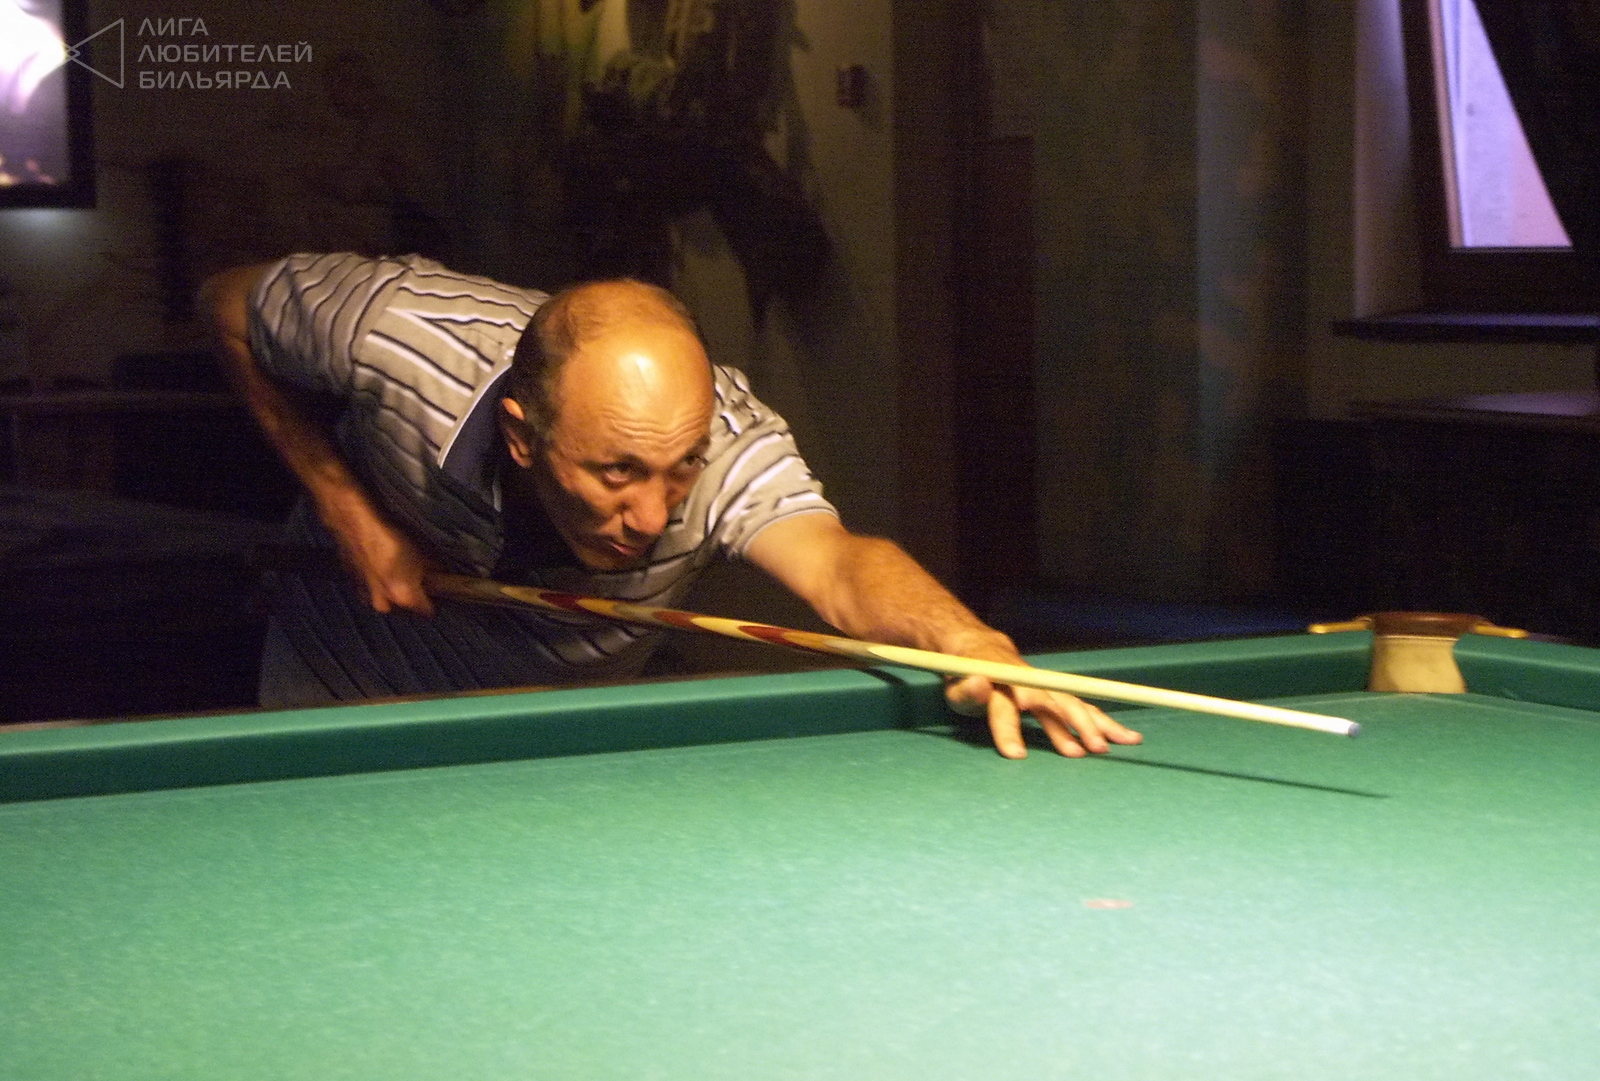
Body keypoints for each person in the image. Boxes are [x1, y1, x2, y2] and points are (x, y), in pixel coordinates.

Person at [203, 252, 1142, 759]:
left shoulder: (727, 440)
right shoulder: (401, 334)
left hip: (559, 733)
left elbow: (838, 564)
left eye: (679, 467)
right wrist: (345, 505)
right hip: (344, 691)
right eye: (616, 473)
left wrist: (968, 640)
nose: (654, 518)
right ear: (523, 437)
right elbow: (227, 305)